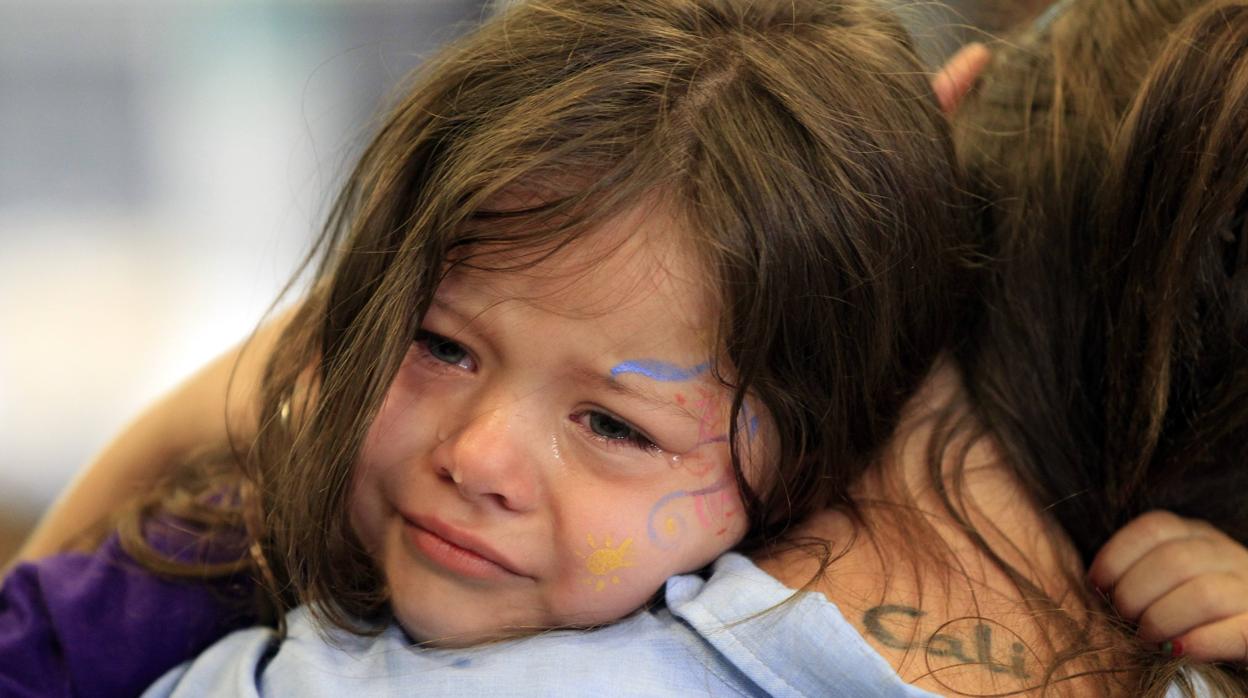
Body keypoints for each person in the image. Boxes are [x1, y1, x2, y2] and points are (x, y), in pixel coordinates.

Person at [3, 0, 1247, 696]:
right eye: (437, 344)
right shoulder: (197, 567)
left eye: (613, 424)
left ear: (807, 458)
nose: (476, 454)